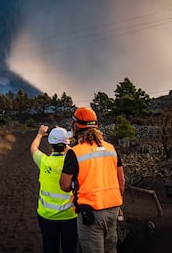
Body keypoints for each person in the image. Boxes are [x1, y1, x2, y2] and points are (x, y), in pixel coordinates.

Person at [59, 107, 125, 253]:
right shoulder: (111, 148)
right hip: (113, 210)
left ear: (76, 126)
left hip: (91, 215)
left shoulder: (74, 153)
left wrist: (75, 184)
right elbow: (121, 181)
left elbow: (64, 185)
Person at [30, 125, 78, 253]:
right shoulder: (73, 162)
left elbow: (33, 148)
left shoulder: (44, 161)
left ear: (50, 144)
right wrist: (65, 139)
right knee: (70, 248)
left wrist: (40, 134)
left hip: (47, 215)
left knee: (50, 248)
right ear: (66, 143)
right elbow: (72, 153)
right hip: (70, 215)